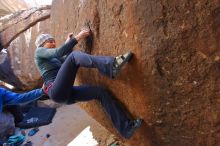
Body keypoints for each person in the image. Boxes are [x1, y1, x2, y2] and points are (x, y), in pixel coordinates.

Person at [34, 28, 143, 139]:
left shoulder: (53, 59)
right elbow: (62, 54)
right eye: (49, 41)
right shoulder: (39, 52)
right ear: (42, 44)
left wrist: (68, 43)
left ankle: (126, 128)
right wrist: (79, 37)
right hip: (56, 91)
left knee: (100, 92)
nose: (53, 43)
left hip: (66, 94)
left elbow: (64, 60)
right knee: (73, 57)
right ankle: (111, 65)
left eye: (53, 41)